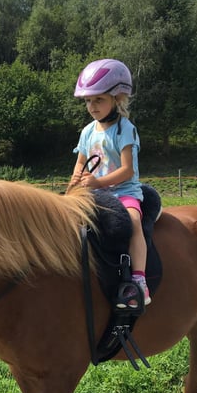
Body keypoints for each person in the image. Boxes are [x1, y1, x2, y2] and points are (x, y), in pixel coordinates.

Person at [66, 58, 151, 307]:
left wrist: (97, 182)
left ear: (118, 99)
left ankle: (139, 281)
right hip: (94, 191)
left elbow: (127, 170)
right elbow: (80, 164)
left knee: (133, 222)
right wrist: (73, 186)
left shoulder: (125, 129)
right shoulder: (87, 132)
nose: (92, 106)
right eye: (88, 101)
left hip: (124, 191)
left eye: (99, 99)